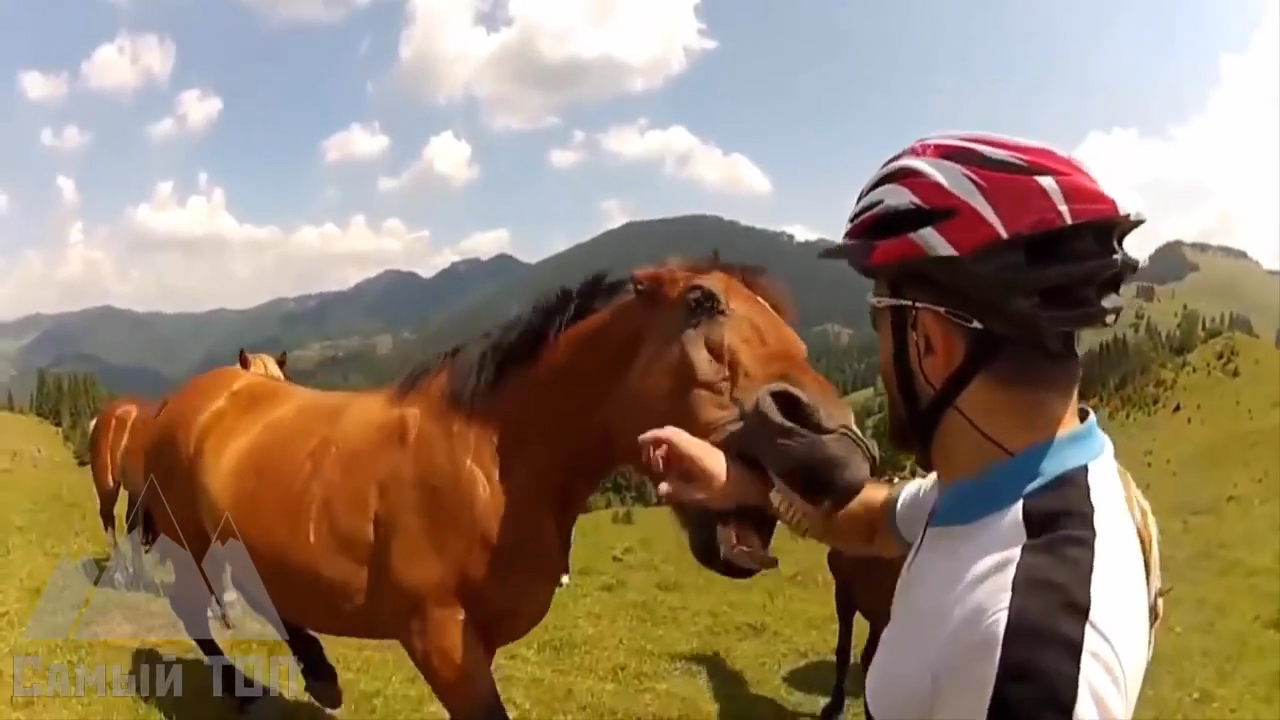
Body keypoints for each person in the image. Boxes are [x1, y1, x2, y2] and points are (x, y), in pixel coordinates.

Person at [639, 132, 1156, 720]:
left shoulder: (1023, 657)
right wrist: (741, 484)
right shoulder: (1018, 489)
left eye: (879, 320)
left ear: (928, 341)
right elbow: (871, 522)